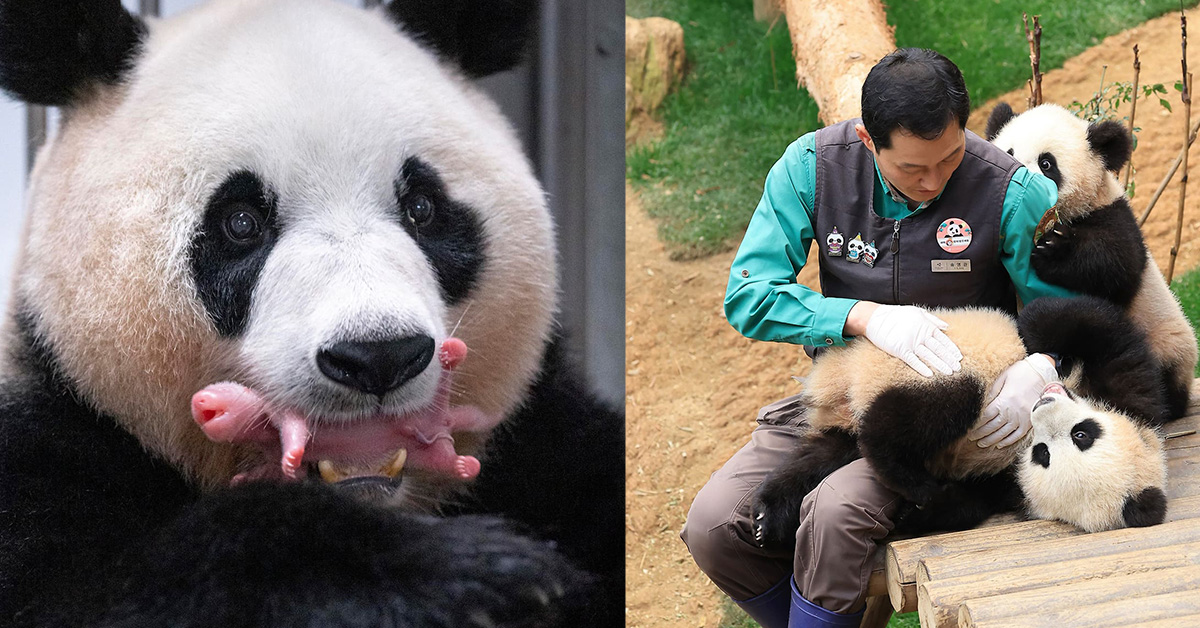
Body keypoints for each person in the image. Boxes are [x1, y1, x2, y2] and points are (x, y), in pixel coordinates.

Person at [680, 48, 1069, 628]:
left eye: (950, 158)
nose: (934, 181)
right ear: (867, 139)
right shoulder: (809, 168)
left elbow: (1070, 313)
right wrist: (860, 316)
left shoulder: (1011, 192)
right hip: (840, 401)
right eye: (913, 168)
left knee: (833, 515)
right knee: (712, 525)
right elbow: (748, 295)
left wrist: (1041, 366)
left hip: (940, 422)